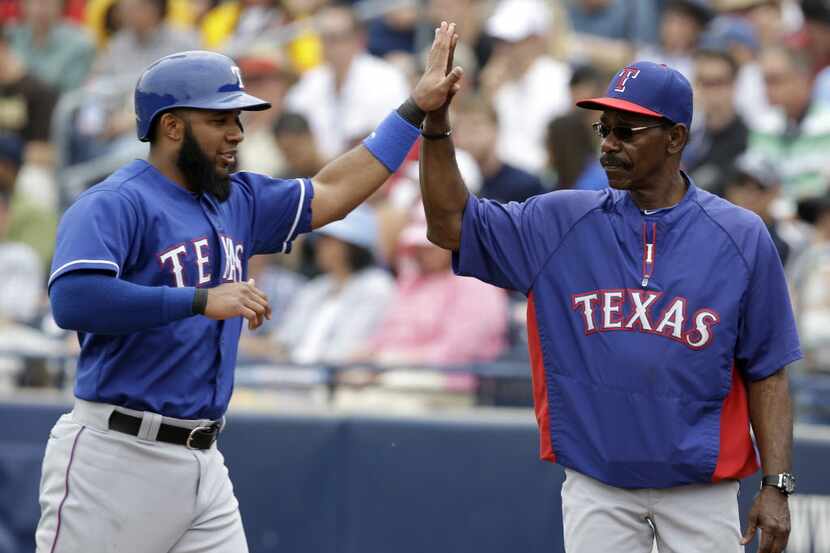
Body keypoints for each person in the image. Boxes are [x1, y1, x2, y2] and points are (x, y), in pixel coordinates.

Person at [35, 23, 463, 552]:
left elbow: (333, 190)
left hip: (204, 458)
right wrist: (199, 300)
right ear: (171, 126)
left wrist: (414, 110)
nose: (237, 131)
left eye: (238, 118)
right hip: (116, 456)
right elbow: (74, 300)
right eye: (219, 120)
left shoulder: (237, 198)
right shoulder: (115, 202)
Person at [419, 54, 799, 553]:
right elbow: (449, 225)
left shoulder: (741, 236)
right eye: (604, 129)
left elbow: (768, 370)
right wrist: (435, 126)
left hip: (700, 489)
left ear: (676, 138)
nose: (609, 145)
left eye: (627, 131)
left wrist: (776, 484)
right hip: (597, 483)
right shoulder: (558, 220)